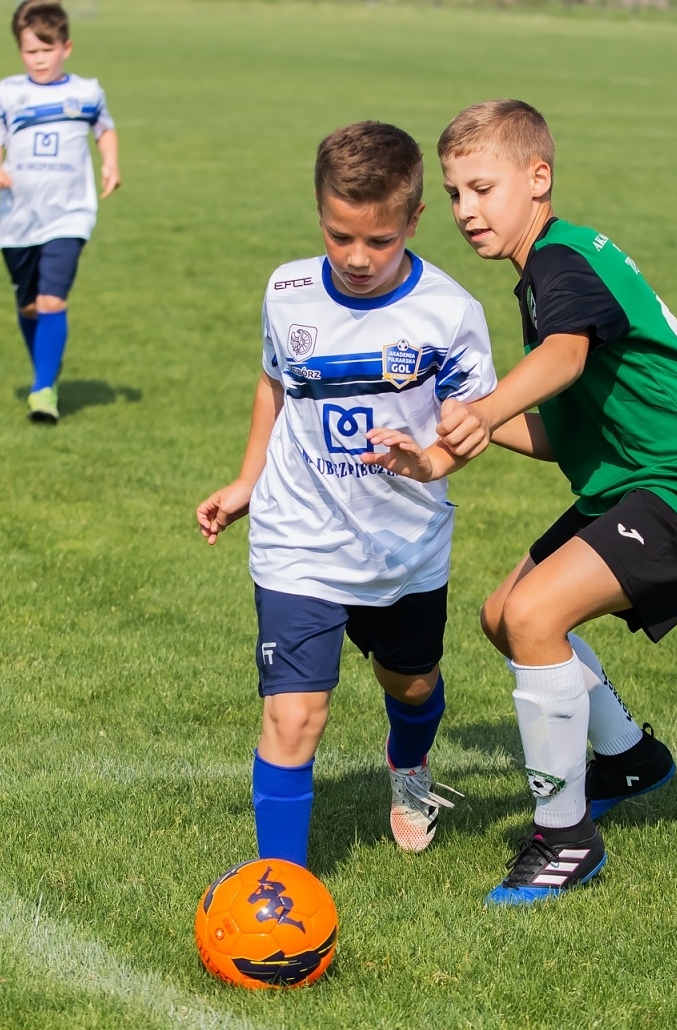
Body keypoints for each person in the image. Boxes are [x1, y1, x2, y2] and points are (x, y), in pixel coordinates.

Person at [364, 100, 677, 906]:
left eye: (482, 187)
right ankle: (629, 759)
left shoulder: (560, 263)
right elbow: (560, 428)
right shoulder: (547, 271)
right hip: (639, 474)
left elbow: (566, 356)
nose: (466, 210)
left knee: (535, 618)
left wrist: (480, 408)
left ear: (538, 178)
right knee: (503, 610)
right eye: (453, 193)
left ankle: (565, 839)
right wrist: (444, 441)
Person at [195, 121, 497, 867]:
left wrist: (424, 460)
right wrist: (247, 479)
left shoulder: (451, 313)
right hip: (298, 538)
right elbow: (276, 384)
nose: (358, 258)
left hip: (405, 548)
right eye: (340, 237)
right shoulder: (287, 290)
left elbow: (473, 428)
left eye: (380, 240)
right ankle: (282, 886)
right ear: (320, 213)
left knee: (414, 683)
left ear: (414, 221)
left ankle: (410, 767)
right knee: (293, 717)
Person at [0, 0, 120, 424]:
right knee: (29, 307)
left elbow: (106, 129)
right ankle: (47, 366)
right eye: (30, 52)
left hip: (69, 215)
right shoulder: (9, 93)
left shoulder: (86, 92)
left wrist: (111, 163)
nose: (39, 60)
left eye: (47, 50)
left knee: (51, 299)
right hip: (19, 219)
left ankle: (43, 390)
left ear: (66, 46)